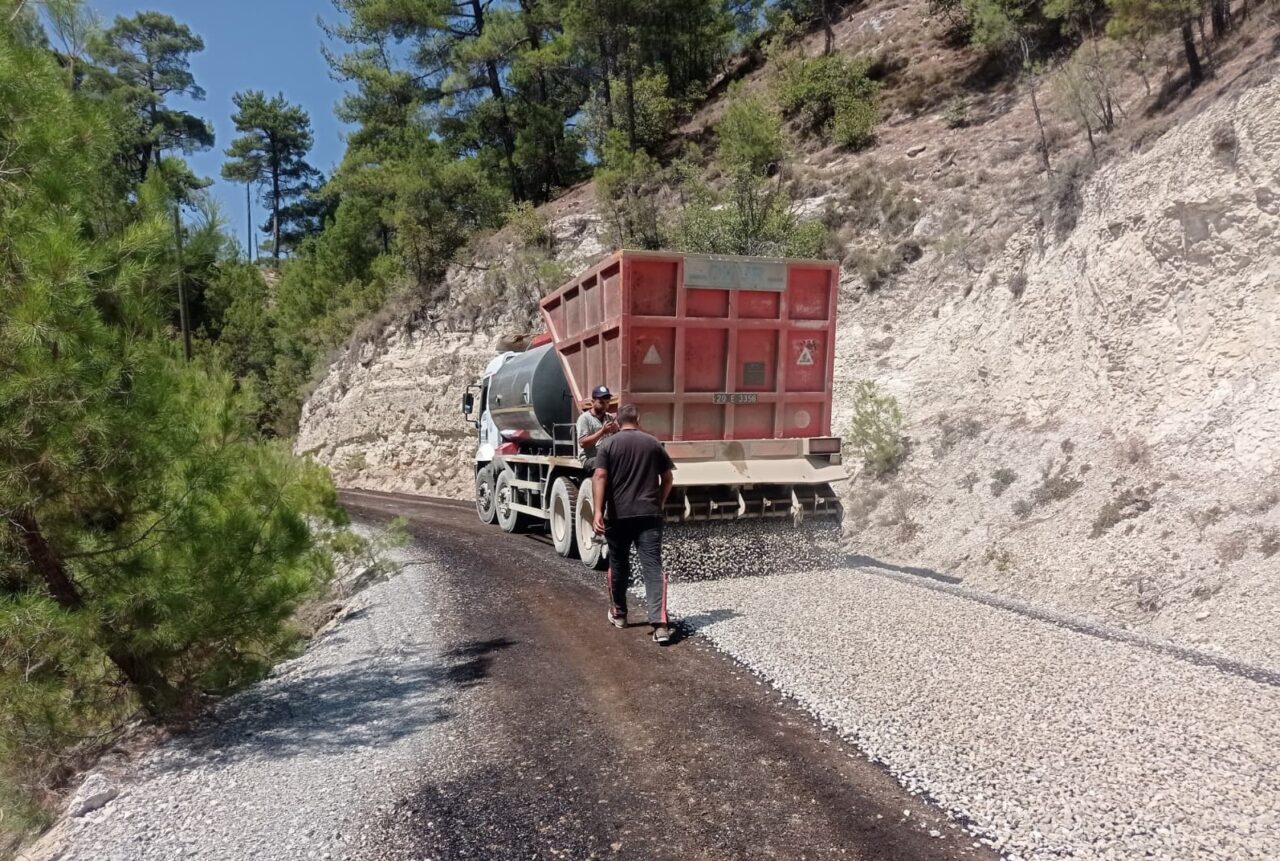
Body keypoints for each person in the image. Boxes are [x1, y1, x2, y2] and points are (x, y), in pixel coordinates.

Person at [591, 403, 675, 645]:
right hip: (649, 516)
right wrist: (658, 502)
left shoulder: (608, 444)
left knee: (618, 566)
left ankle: (619, 614)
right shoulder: (653, 443)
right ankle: (660, 625)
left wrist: (598, 511)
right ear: (638, 419)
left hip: (617, 517)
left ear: (617, 422)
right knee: (652, 568)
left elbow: (600, 476)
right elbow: (668, 478)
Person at [576, 385, 618, 471]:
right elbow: (583, 443)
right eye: (601, 403)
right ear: (592, 402)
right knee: (606, 463)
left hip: (606, 456)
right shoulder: (584, 418)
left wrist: (616, 431)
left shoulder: (609, 417)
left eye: (607, 402)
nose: (605, 406)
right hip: (590, 458)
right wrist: (602, 432)